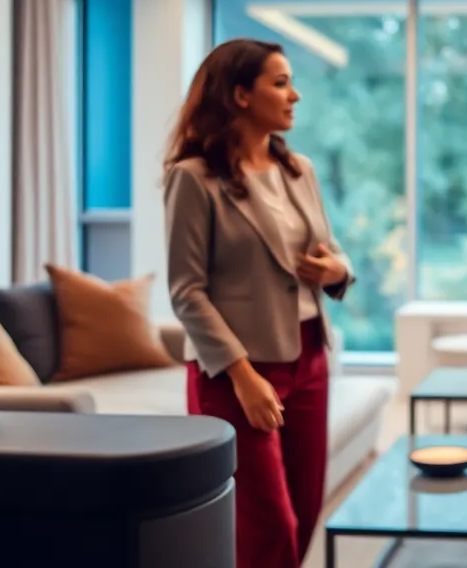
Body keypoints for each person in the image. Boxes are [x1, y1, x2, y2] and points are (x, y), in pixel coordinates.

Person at [164, 38, 354, 568]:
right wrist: (243, 377)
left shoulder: (300, 170)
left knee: (306, 508)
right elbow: (186, 291)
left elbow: (331, 249)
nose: (295, 95)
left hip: (310, 355)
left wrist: (338, 270)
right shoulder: (193, 178)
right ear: (241, 95)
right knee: (269, 526)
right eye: (281, 83)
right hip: (237, 372)